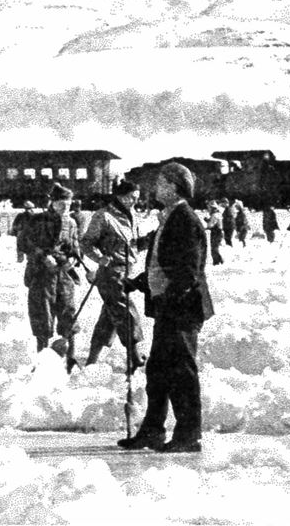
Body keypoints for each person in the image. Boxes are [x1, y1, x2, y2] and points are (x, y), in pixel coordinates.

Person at [118, 162, 214, 453]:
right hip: (170, 306)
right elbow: (162, 264)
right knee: (158, 369)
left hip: (181, 309)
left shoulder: (185, 219)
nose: (156, 188)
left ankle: (189, 435)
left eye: (160, 183)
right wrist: (139, 283)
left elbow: (188, 271)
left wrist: (170, 299)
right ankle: (152, 431)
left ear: (173, 186)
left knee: (181, 371)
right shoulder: (169, 217)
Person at [80, 180, 146, 367]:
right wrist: (99, 258)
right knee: (125, 311)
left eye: (137, 198)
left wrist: (148, 240)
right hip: (111, 273)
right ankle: (134, 355)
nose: (134, 201)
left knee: (109, 317)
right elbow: (86, 243)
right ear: (120, 196)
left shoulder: (131, 215)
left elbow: (132, 245)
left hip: (127, 272)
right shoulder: (103, 216)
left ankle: (92, 359)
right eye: (131, 197)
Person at [23, 183, 81, 357]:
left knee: (68, 314)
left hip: (63, 274)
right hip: (41, 274)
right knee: (42, 315)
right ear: (53, 203)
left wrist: (72, 259)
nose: (66, 208)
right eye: (62, 204)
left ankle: (70, 357)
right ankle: (42, 355)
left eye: (69, 205)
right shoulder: (37, 220)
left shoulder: (71, 223)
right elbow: (25, 243)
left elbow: (75, 248)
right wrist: (41, 256)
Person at [205, 202, 224, 266]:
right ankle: (218, 261)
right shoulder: (218, 214)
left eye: (210, 208)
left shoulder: (214, 215)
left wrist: (207, 225)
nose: (209, 209)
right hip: (219, 232)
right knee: (215, 248)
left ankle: (218, 261)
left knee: (214, 248)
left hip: (216, 233)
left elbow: (210, 225)